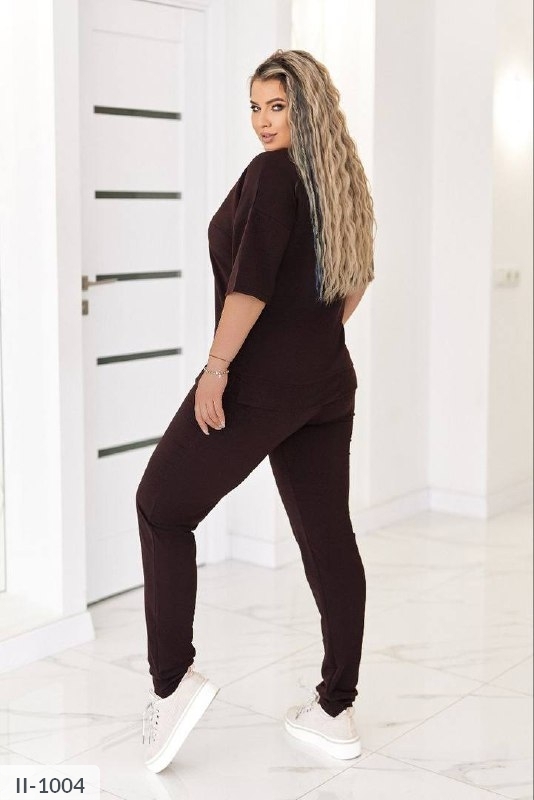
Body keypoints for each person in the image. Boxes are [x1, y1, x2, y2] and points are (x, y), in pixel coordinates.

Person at [136, 48, 376, 773]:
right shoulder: (342, 179)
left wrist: (218, 369)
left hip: (259, 385)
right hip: (326, 385)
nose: (263, 122)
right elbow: (356, 281)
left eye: (277, 106)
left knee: (160, 507)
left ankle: (172, 685)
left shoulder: (274, 174)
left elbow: (249, 287)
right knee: (328, 538)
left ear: (306, 108)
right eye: (255, 107)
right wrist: (312, 340)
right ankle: (336, 708)